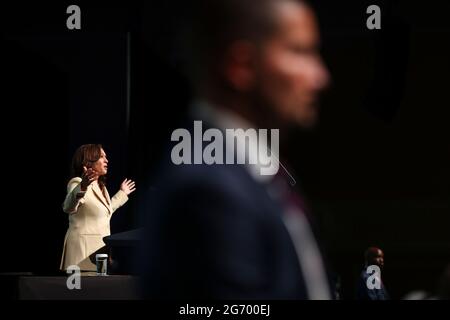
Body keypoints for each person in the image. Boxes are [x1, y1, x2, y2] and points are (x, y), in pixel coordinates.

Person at [139, 0, 331, 299]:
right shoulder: (208, 192)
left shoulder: (258, 174)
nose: (320, 77)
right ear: (240, 66)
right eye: (300, 52)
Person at [60, 144, 136, 271]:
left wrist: (122, 193)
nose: (107, 160)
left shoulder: (102, 188)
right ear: (90, 160)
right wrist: (83, 187)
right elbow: (68, 206)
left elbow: (106, 212)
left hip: (99, 253)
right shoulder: (77, 182)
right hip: (82, 253)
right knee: (84, 290)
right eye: (101, 157)